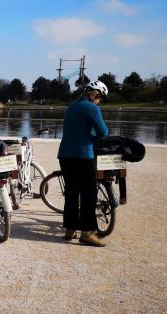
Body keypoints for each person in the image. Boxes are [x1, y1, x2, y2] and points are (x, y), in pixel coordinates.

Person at [57, 80, 109, 246]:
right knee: (89, 194)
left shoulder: (72, 106)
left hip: (64, 155)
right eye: (100, 97)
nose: (99, 101)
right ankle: (87, 232)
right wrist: (91, 138)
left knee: (72, 192)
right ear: (95, 94)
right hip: (82, 155)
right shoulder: (91, 107)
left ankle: (70, 229)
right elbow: (103, 132)